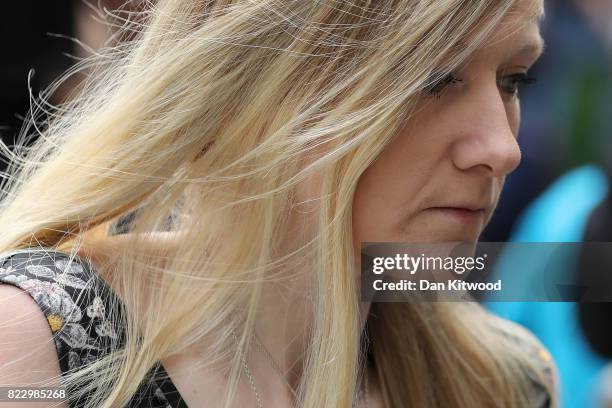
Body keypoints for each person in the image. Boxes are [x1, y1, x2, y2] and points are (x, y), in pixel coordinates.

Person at [0, 0, 556, 407]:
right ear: (260, 87)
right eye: (431, 78)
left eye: (513, 81)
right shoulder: (41, 343)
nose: (503, 149)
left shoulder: (502, 382)